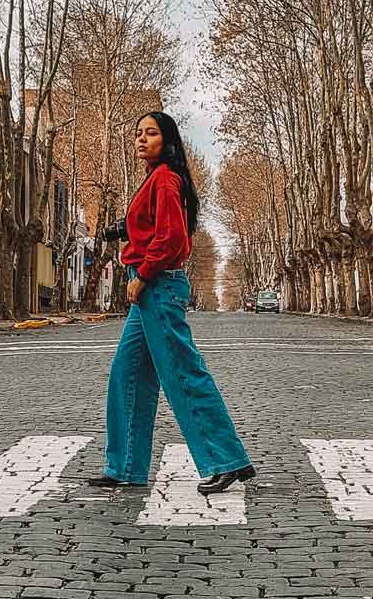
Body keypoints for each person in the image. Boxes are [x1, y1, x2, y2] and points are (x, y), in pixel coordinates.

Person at [89, 110, 255, 496]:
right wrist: (121, 230)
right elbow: (149, 226)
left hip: (158, 287)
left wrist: (143, 274)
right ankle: (126, 467)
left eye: (151, 133)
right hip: (152, 288)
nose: (141, 139)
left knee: (182, 373)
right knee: (126, 374)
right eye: (138, 133)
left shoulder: (165, 179)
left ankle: (224, 460)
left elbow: (174, 238)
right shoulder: (155, 180)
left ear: (168, 140)